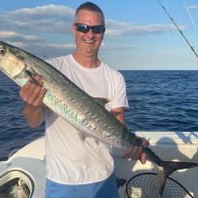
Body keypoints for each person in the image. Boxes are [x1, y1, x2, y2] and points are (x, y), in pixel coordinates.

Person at [20, 2, 148, 198]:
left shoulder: (115, 77)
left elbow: (118, 120)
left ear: (103, 32)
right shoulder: (51, 69)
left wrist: (133, 144)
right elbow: (32, 121)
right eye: (83, 27)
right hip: (63, 181)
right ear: (74, 29)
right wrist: (31, 104)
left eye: (97, 29)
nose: (90, 34)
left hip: (105, 177)